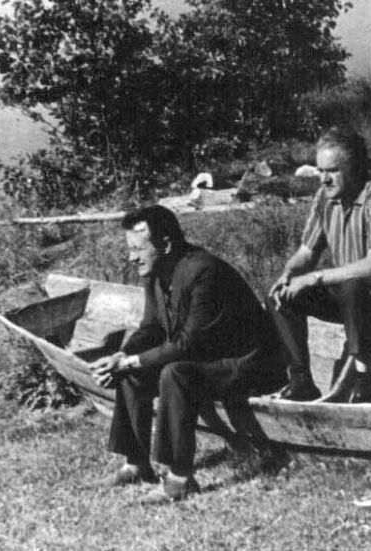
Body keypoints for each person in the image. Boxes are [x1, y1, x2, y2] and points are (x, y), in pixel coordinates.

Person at [91, 205, 286, 504]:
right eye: (130, 250)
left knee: (175, 373)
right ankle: (136, 463)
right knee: (130, 372)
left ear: (166, 244)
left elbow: (187, 345)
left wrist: (131, 361)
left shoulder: (204, 272)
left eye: (138, 249)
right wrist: (122, 355)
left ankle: (180, 479)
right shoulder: (156, 273)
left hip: (249, 365)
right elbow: (151, 328)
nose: (132, 258)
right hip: (208, 360)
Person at [268, 126, 371, 403]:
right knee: (280, 295)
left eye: (333, 171)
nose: (324, 179)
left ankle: (364, 384)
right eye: (320, 171)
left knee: (352, 287)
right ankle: (300, 380)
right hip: (354, 297)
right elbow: (306, 253)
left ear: (355, 167)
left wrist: (314, 277)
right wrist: (289, 273)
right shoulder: (325, 197)